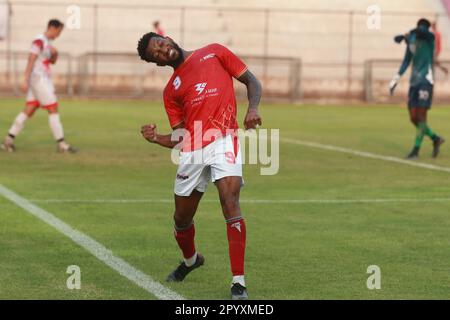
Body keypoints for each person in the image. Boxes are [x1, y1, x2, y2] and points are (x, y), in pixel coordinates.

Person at [137, 32, 262, 300]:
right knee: (181, 219)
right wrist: (156, 138)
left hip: (224, 139)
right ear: (157, 64)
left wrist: (252, 109)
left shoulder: (214, 51)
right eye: (155, 54)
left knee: (230, 201)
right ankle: (191, 260)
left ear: (166, 37)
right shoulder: (171, 90)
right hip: (193, 151)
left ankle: (238, 282)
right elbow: (181, 138)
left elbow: (251, 81)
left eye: (160, 44)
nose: (161, 51)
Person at [1, 19, 77, 153]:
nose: (59, 35)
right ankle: (62, 144)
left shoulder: (48, 43)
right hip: (38, 80)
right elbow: (31, 58)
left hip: (42, 79)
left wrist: (55, 54)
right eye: (58, 31)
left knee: (29, 109)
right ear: (52, 28)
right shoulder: (39, 40)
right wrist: (25, 77)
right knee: (53, 108)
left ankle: (8, 141)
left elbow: (52, 62)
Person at [390, 18, 444, 159]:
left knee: (421, 116)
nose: (421, 29)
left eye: (422, 27)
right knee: (413, 118)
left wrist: (409, 33)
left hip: (426, 82)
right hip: (414, 83)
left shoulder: (429, 38)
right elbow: (406, 61)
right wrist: (395, 79)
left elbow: (422, 33)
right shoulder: (413, 41)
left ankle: (415, 150)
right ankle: (435, 138)